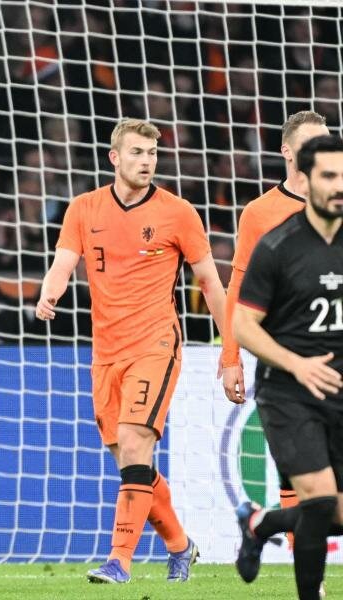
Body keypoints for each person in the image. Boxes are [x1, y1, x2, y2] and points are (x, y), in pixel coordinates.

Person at [36, 118, 227, 584]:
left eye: (153, 154)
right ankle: (181, 546)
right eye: (138, 153)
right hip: (105, 351)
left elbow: (210, 282)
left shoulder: (178, 213)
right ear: (115, 158)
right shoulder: (84, 208)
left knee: (137, 442)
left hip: (156, 343)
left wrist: (232, 351)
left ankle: (119, 560)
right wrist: (49, 292)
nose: (147, 161)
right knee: (132, 463)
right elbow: (64, 260)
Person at [232, 134, 343, 600]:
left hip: (338, 388)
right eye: (329, 176)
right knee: (318, 502)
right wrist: (297, 364)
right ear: (306, 179)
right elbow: (243, 325)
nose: (340, 186)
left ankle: (260, 524)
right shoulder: (278, 246)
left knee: (334, 512)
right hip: (288, 391)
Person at [220, 110, 329, 543]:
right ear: (287, 151)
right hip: (285, 361)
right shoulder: (260, 213)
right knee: (300, 479)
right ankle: (312, 579)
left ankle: (261, 523)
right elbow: (237, 287)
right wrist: (231, 359)